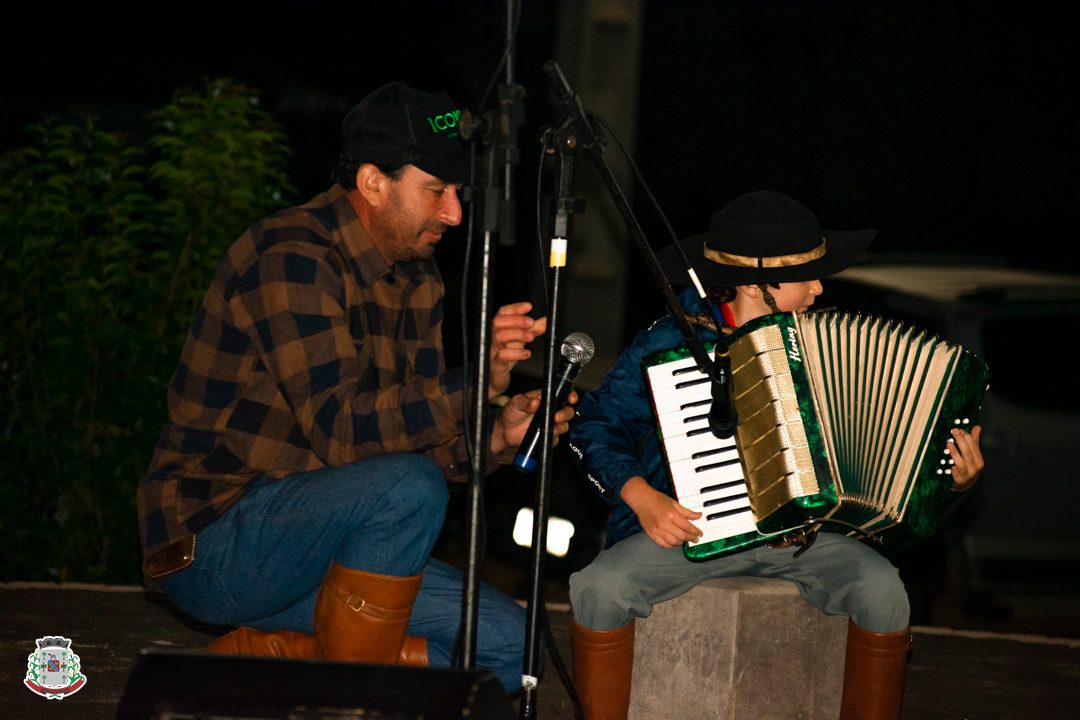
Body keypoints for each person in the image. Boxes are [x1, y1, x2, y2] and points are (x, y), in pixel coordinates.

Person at [136, 80, 575, 694]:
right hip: (217, 541)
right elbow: (344, 433)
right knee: (407, 488)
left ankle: (272, 659)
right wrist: (475, 382)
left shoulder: (417, 277)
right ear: (373, 182)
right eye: (437, 191)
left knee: (503, 642)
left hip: (328, 543)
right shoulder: (291, 255)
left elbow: (406, 440)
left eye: (459, 192)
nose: (454, 212)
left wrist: (496, 435)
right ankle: (345, 702)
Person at [564, 190, 985, 720]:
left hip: (809, 537)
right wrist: (640, 495)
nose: (818, 287)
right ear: (753, 283)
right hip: (694, 528)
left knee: (884, 592)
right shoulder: (674, 341)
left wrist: (953, 480)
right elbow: (594, 423)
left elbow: (894, 465)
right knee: (600, 588)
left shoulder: (826, 342)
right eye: (805, 275)